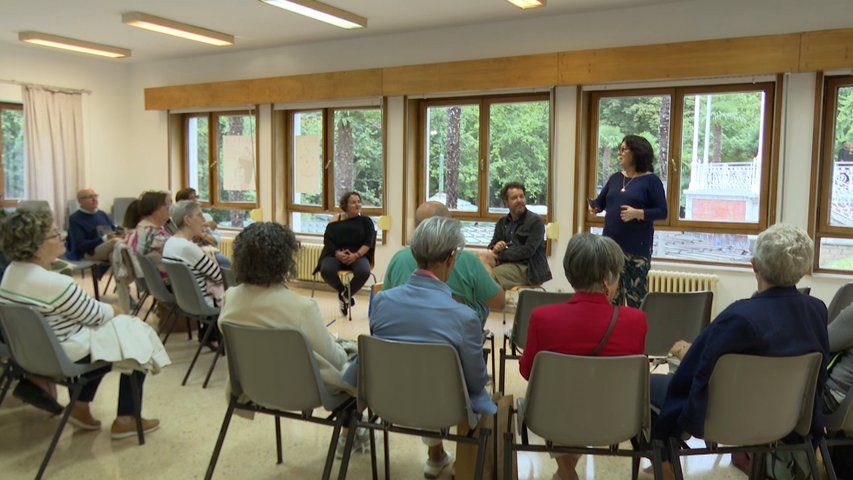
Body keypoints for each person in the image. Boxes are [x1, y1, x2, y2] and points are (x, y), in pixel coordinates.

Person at [651, 224, 829, 479]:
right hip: (786, 419)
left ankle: (663, 464)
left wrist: (683, 352)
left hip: (725, 421)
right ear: (802, 270)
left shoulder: (739, 317)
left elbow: (695, 369)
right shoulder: (816, 311)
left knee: (650, 385)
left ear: (754, 265)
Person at [344, 216, 497, 478]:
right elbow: (476, 381)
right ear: (451, 259)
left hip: (388, 402)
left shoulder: (382, 302)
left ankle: (435, 455)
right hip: (443, 408)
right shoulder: (464, 317)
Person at [0, 208, 167, 439]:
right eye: (54, 234)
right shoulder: (54, 283)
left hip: (31, 355)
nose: (62, 236)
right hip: (62, 356)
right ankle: (126, 418)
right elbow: (96, 315)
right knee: (134, 338)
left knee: (110, 339)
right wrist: (117, 310)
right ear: (35, 245)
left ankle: (80, 406)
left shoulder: (11, 272)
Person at [519, 233, 648, 480]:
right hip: (617, 420)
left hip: (555, 418)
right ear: (607, 280)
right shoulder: (636, 320)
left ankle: (566, 473)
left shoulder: (542, 318)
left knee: (557, 396)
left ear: (570, 274)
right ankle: (566, 473)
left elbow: (528, 373)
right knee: (581, 396)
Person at [217, 222, 353, 404]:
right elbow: (335, 360)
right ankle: (350, 430)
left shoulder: (231, 297)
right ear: (285, 260)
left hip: (252, 388)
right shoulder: (302, 307)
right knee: (355, 366)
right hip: (304, 392)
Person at [384, 201, 505, 325]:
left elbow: (387, 305)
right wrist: (486, 265)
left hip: (402, 335)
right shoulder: (467, 260)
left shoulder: (398, 259)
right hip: (455, 336)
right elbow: (499, 302)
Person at [589, 135, 667, 308]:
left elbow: (662, 212)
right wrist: (594, 207)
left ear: (637, 153)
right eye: (620, 149)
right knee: (609, 299)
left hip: (636, 251)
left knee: (635, 300)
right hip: (610, 249)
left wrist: (638, 213)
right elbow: (600, 203)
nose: (620, 153)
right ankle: (610, 334)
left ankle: (634, 333)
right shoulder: (616, 178)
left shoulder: (651, 181)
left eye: (624, 149)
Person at [314, 191, 376, 315]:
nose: (357, 205)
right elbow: (328, 240)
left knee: (364, 271)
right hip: (335, 253)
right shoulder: (336, 220)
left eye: (359, 202)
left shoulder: (366, 221)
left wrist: (356, 255)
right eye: (353, 202)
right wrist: (337, 253)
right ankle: (345, 293)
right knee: (326, 270)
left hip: (358, 255)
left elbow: (368, 243)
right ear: (345, 205)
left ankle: (345, 296)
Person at [487, 182, 552, 289]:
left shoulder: (535, 221)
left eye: (521, 196)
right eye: (514, 198)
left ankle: (490, 304)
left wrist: (500, 254)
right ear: (506, 203)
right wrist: (495, 247)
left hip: (528, 269)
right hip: (505, 265)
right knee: (476, 269)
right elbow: (491, 246)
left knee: (488, 277)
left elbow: (527, 251)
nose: (519, 200)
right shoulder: (502, 222)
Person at [163, 200, 224, 308]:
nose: (204, 220)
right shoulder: (187, 247)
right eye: (199, 215)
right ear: (187, 220)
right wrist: (210, 258)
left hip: (186, 301)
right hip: (205, 302)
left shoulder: (170, 242)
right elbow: (220, 277)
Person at [174, 188, 230, 267]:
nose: (196, 201)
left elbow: (215, 241)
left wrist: (202, 234)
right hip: (192, 252)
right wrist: (200, 231)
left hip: (209, 251)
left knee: (225, 262)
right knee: (223, 262)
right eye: (191, 198)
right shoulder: (178, 220)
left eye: (196, 197)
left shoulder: (206, 217)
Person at [66, 188, 122, 262]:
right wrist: (104, 238)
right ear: (80, 201)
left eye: (95, 196)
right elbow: (80, 245)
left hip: (107, 247)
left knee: (114, 255)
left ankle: (126, 273)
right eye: (90, 197)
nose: (94, 199)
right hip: (90, 251)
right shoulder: (75, 219)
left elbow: (113, 229)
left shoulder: (101, 213)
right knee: (116, 242)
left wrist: (122, 232)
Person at [127, 191, 172, 276]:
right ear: (156, 210)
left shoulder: (143, 228)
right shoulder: (152, 234)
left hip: (154, 281)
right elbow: (180, 250)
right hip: (169, 283)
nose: (171, 210)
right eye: (168, 207)